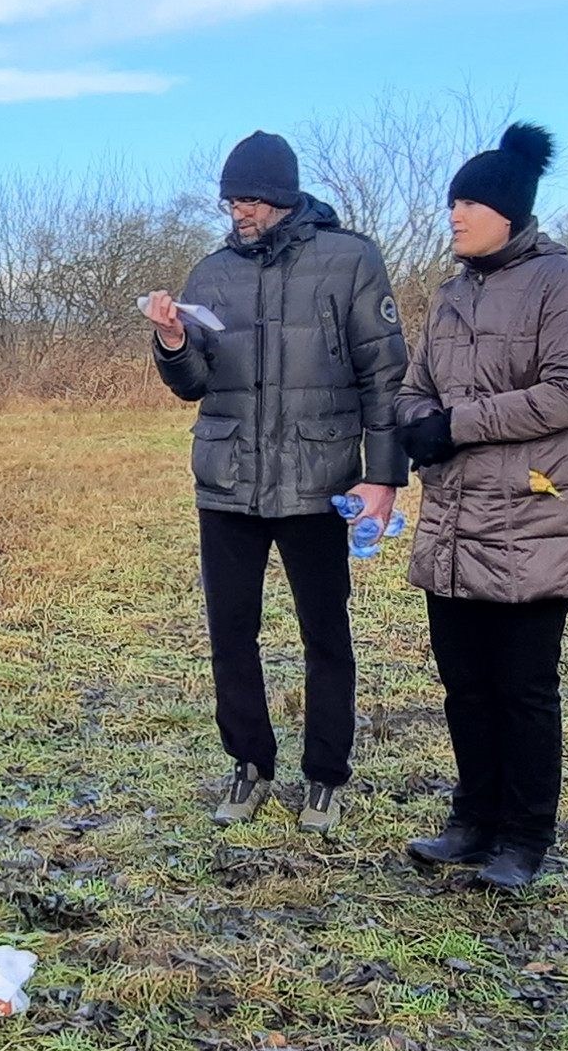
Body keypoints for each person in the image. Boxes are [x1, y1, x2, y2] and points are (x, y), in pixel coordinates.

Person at [147, 130, 407, 833]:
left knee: (326, 635)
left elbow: (385, 376)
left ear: (285, 197)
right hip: (227, 483)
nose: (240, 213)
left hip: (318, 482)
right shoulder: (210, 273)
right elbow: (193, 383)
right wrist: (172, 341)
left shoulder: (351, 260)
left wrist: (384, 476)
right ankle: (248, 764)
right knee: (230, 634)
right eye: (231, 201)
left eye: (251, 200)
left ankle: (325, 775)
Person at [392, 125, 568, 891]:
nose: (453, 214)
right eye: (451, 202)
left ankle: (525, 837)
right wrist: (419, 421)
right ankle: (471, 822)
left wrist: (458, 424)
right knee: (466, 687)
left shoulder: (562, 282)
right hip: (453, 523)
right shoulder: (449, 296)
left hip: (531, 521)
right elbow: (414, 387)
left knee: (523, 691)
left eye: (469, 202)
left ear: (508, 210)